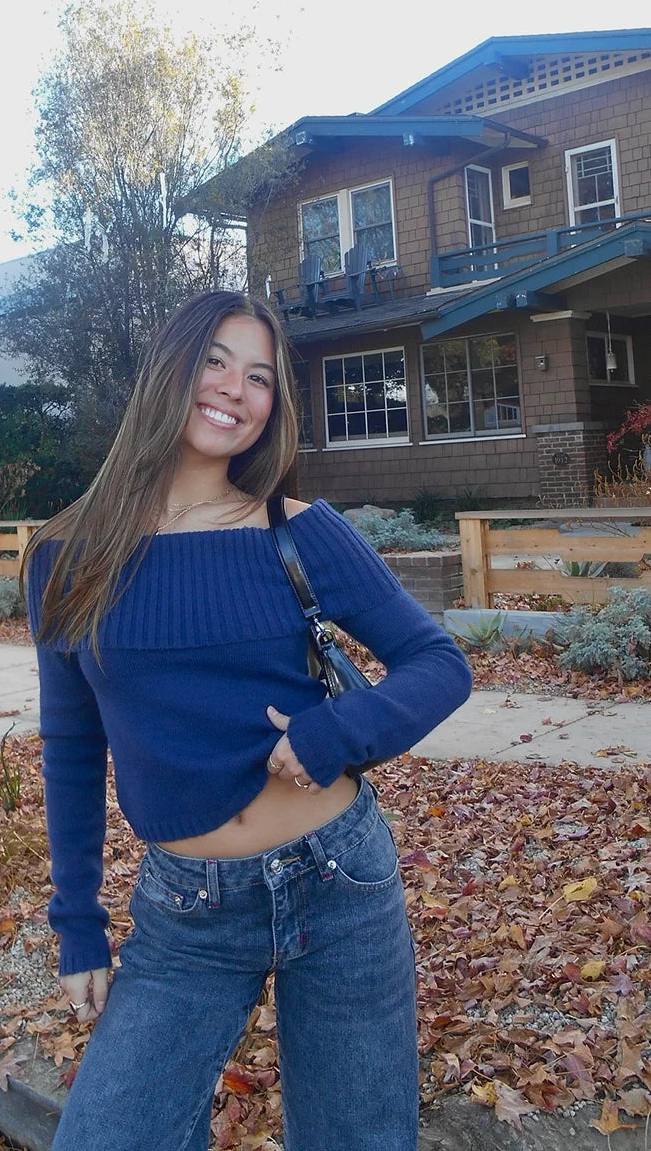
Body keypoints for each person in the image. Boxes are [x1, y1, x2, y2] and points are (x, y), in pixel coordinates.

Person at [24, 290, 472, 1151]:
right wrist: (76, 919)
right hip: (187, 914)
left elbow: (439, 665)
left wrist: (334, 733)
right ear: (169, 370)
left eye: (260, 376)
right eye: (216, 361)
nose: (236, 388)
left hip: (341, 882)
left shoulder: (298, 531)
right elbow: (72, 746)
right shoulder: (65, 555)